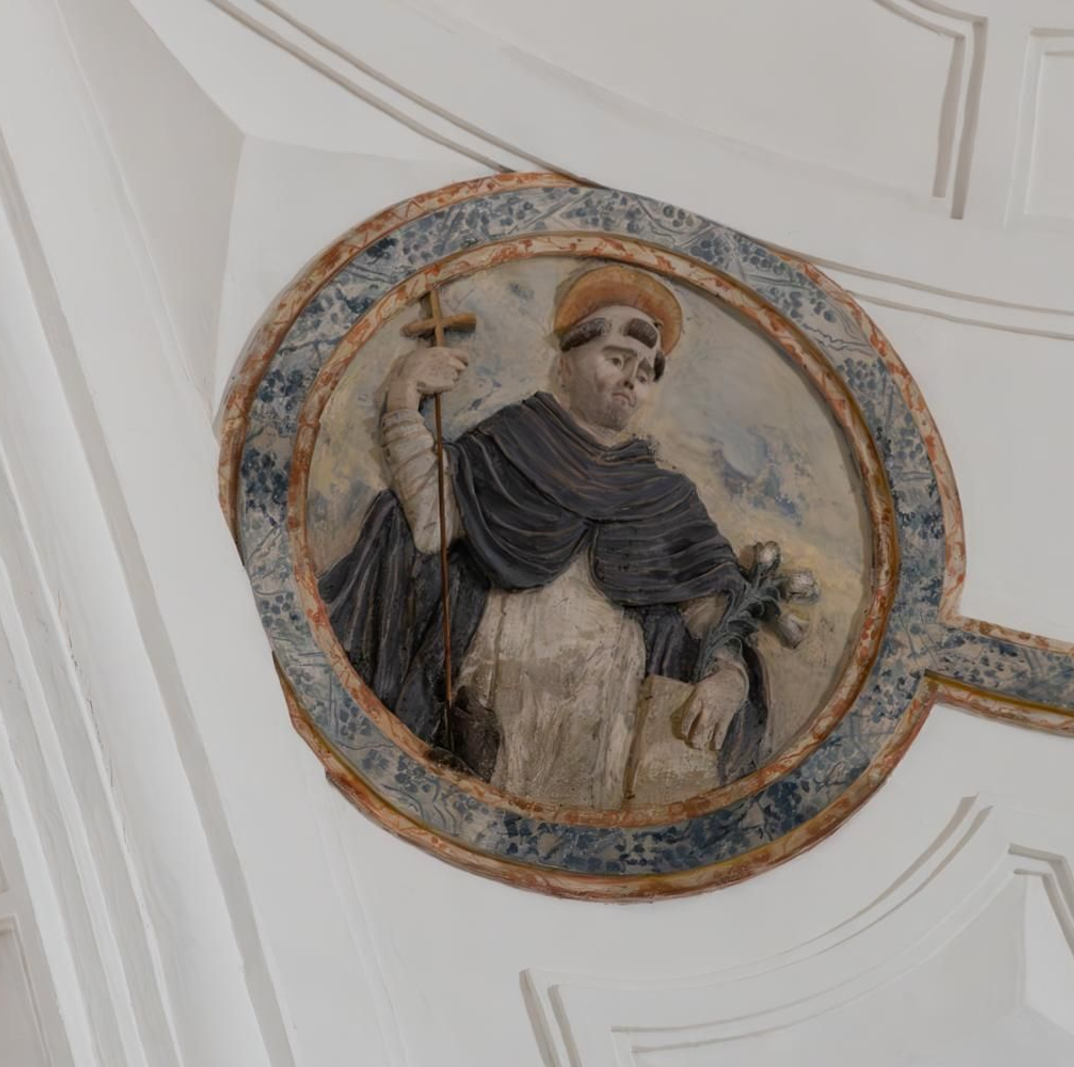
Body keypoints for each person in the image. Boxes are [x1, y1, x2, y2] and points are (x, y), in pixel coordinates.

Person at [319, 264, 765, 808]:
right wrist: (404, 394)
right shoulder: (513, 440)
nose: (631, 379)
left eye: (645, 372)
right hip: (498, 684)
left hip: (606, 703)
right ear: (563, 368)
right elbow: (434, 523)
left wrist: (728, 676)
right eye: (617, 360)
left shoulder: (665, 494)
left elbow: (709, 605)